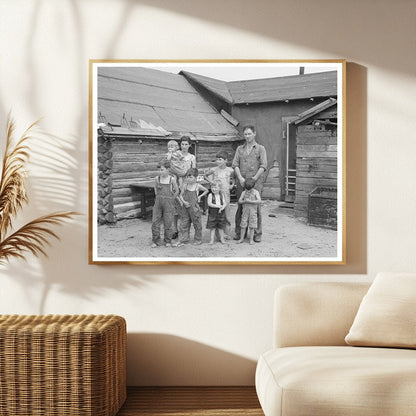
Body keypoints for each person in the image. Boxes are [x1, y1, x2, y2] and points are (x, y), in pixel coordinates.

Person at [232, 125, 267, 242]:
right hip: (242, 182)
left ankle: (257, 233)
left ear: (254, 133)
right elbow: (235, 164)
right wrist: (241, 178)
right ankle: (239, 232)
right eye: (245, 134)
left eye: (249, 134)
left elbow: (263, 166)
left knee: (255, 207)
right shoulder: (239, 149)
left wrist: (254, 179)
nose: (247, 136)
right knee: (241, 206)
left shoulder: (260, 148)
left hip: (255, 183)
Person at [204, 150, 235, 238]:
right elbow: (205, 176)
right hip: (216, 194)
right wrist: (211, 182)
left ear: (226, 160)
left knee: (226, 213)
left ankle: (227, 233)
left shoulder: (230, 170)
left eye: (220, 159)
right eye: (217, 159)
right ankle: (218, 234)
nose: (218, 161)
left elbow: (234, 179)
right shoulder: (214, 170)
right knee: (217, 212)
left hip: (225, 193)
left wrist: (231, 185)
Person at [176, 168, 208, 246]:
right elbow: (180, 195)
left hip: (194, 208)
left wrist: (200, 197)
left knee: (197, 223)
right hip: (185, 207)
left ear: (196, 178)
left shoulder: (197, 186)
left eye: (191, 177)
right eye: (187, 177)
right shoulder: (185, 185)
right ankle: (184, 239)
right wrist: (183, 202)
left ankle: (198, 239)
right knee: (184, 223)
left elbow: (206, 190)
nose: (188, 179)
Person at [151, 159, 179, 248]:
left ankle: (168, 240)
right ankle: (156, 240)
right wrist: (158, 197)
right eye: (159, 170)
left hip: (168, 203)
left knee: (168, 222)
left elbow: (177, 191)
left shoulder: (172, 179)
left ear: (168, 169)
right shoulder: (157, 179)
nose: (160, 172)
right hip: (158, 203)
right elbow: (155, 190)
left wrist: (172, 199)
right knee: (155, 222)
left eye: (162, 169)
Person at [237, 178, 262, 245]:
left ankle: (251, 240)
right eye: (247, 189)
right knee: (243, 225)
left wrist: (251, 201)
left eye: (250, 189)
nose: (248, 190)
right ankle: (241, 238)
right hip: (245, 212)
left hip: (253, 213)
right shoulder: (244, 192)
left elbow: (259, 201)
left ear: (253, 186)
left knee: (252, 226)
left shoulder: (256, 192)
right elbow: (239, 201)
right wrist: (244, 201)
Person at [206, 179, 229, 245]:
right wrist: (218, 206)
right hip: (212, 214)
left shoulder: (222, 195)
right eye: (212, 187)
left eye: (215, 187)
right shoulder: (210, 195)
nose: (213, 189)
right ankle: (211, 240)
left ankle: (222, 239)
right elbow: (209, 204)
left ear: (220, 188)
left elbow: (225, 203)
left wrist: (222, 207)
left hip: (221, 214)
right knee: (212, 228)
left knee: (221, 227)